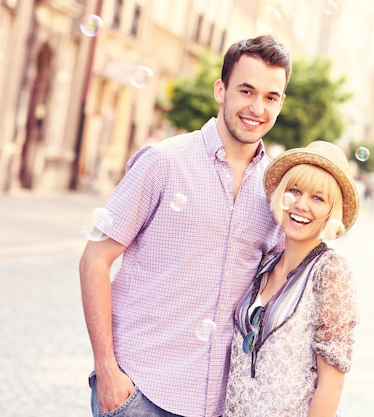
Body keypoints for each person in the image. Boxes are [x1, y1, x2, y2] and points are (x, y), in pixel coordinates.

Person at [79, 34, 291, 417]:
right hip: (140, 389)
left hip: (218, 403)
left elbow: (276, 288)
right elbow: (95, 258)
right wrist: (107, 370)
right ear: (220, 90)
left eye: (271, 97)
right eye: (246, 91)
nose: (257, 107)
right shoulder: (163, 162)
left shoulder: (276, 189)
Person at [224, 141, 360, 417]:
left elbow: (331, 385)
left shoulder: (330, 271)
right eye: (294, 191)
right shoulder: (266, 260)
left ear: (331, 212)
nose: (301, 205)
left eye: (318, 198)